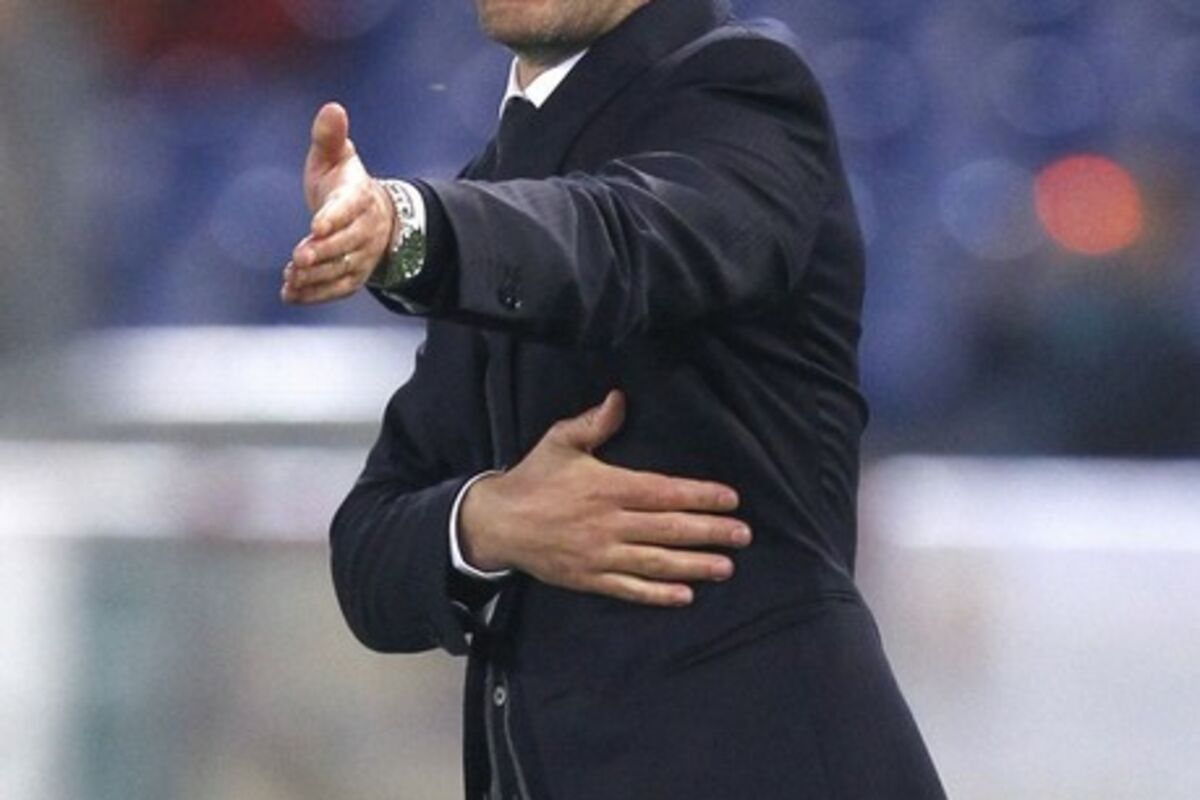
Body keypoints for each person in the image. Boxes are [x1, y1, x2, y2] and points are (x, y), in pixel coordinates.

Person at [283, 0, 946, 797]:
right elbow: (368, 554)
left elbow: (621, 242)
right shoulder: (496, 187)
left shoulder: (746, 89)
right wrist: (488, 521)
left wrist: (409, 230)